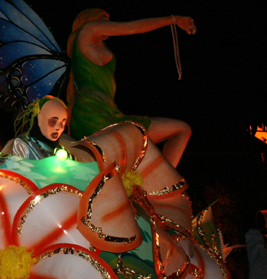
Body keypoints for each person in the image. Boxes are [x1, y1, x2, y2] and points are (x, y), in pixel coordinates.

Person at [66, 9, 195, 168]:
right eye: (104, 19)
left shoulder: (95, 43)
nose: (108, 23)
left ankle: (157, 186)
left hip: (112, 113)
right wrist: (173, 19)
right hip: (91, 112)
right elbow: (131, 27)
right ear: (90, 19)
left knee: (182, 130)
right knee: (112, 165)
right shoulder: (87, 31)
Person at [2, 96, 71, 160]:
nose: (58, 127)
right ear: (40, 119)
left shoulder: (63, 149)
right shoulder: (23, 145)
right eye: (53, 121)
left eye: (63, 123)